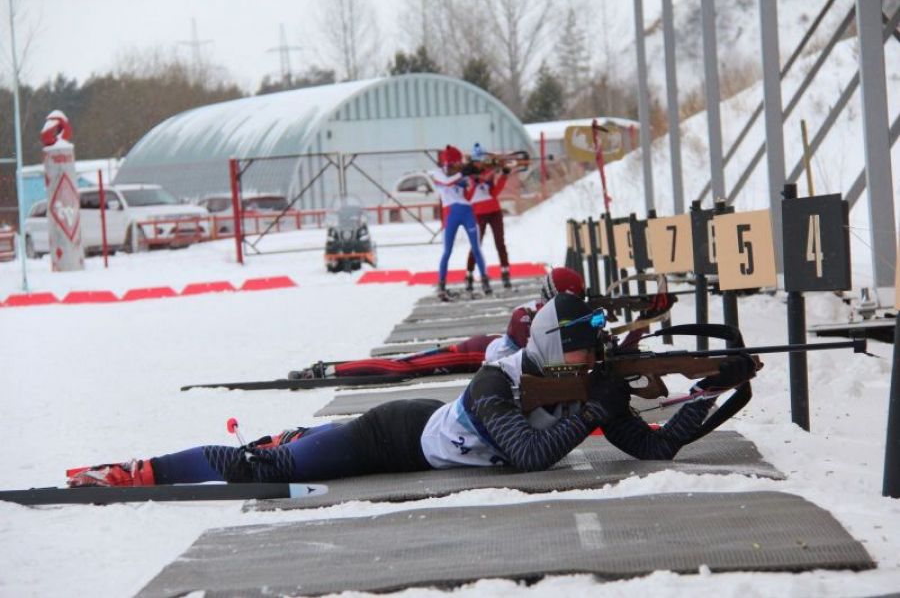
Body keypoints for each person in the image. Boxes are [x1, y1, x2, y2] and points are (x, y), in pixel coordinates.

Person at [67, 294, 756, 487]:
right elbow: (528, 456)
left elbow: (656, 447)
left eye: (592, 350)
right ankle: (137, 470)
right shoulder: (496, 381)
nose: (589, 360)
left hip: (432, 432)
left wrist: (709, 396)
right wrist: (596, 411)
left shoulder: (582, 383)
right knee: (267, 470)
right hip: (392, 435)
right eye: (579, 348)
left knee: (293, 452)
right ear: (550, 344)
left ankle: (297, 439)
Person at [292, 266, 587, 379]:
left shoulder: (545, 313)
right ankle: (329, 371)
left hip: (491, 356)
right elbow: (546, 359)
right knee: (404, 367)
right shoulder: (525, 315)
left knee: (407, 364)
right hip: (478, 353)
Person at [431, 145, 490, 301]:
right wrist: (462, 173)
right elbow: (447, 182)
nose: (459, 164)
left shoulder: (460, 172)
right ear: (449, 162)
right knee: (447, 251)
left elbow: (469, 194)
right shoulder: (438, 173)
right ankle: (441, 284)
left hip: (467, 212)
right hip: (450, 214)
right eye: (456, 162)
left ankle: (485, 281)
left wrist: (475, 178)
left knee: (476, 248)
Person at [464, 143, 512, 291]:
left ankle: (505, 273)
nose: (481, 164)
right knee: (476, 245)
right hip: (478, 213)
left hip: (494, 211)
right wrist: (477, 180)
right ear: (473, 161)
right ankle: (469, 275)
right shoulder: (468, 174)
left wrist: (503, 176)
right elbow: (468, 196)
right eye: (478, 161)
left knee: (500, 242)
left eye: (482, 160)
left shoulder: (488, 172)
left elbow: (494, 193)